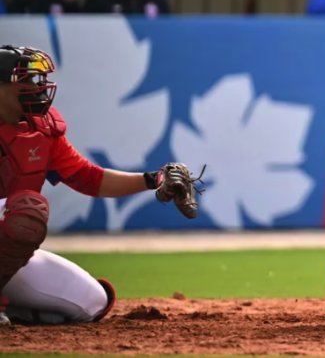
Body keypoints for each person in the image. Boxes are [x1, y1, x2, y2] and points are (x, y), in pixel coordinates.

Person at [0, 45, 199, 325]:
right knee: (27, 209)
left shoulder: (40, 130)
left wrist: (154, 179)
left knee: (92, 302)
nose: (37, 87)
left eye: (38, 79)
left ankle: (17, 313)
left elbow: (90, 178)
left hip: (6, 250)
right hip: (12, 219)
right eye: (26, 80)